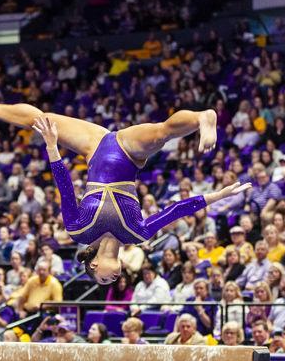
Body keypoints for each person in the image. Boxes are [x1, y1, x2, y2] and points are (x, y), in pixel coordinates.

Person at [20, 115, 250, 285]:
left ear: (94, 265)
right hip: (129, 157)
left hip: (97, 154)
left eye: (104, 280)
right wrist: (219, 195)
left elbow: (66, 190)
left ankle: (204, 117)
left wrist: (52, 146)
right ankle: (202, 117)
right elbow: (175, 211)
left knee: (36, 115)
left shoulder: (79, 231)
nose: (113, 279)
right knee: (164, 131)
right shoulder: (136, 235)